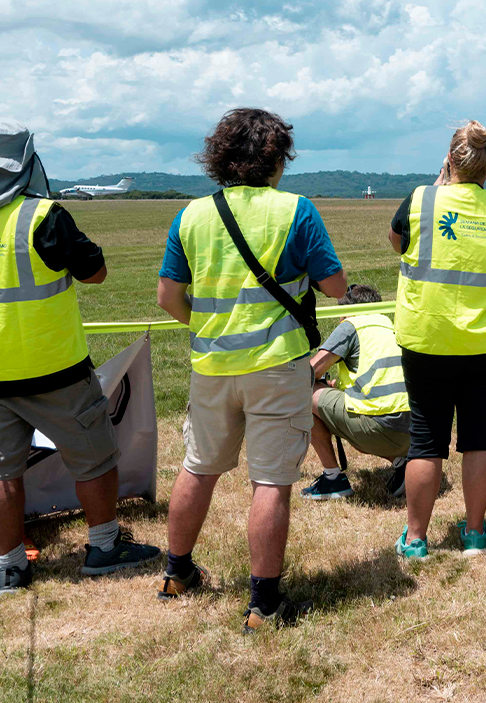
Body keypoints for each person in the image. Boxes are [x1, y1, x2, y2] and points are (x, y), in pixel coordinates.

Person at [0, 121, 158, 596]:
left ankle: (10, 567)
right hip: (56, 368)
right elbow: (94, 273)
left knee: (0, 470)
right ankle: (103, 548)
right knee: (94, 457)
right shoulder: (43, 216)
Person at [155, 108, 346, 631]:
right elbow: (334, 287)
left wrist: (207, 327)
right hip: (277, 367)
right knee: (271, 481)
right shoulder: (296, 210)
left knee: (198, 467)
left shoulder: (191, 215)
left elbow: (168, 295)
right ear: (276, 158)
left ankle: (177, 573)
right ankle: (263, 603)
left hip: (211, 365)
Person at [389, 121, 486, 559]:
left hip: (427, 338)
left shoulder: (421, 200)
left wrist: (437, 183)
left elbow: (397, 243)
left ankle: (415, 539)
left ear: (449, 160)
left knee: (426, 440)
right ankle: (475, 533)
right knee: (481, 435)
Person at [303, 284, 410, 501]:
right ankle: (403, 464)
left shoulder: (352, 324)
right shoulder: (390, 324)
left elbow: (309, 373)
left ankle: (333, 478)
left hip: (376, 428)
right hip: (414, 431)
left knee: (303, 391)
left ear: (347, 310)